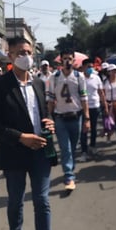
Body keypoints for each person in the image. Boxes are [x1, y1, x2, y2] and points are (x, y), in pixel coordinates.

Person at [0, 37, 55, 230]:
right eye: (21, 53)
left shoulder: (39, 83)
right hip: (14, 152)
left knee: (42, 200)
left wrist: (49, 123)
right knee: (16, 201)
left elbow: (43, 113)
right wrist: (21, 137)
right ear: (10, 55)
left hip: (41, 150)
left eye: (29, 53)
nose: (26, 57)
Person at [47, 49, 90, 190]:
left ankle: (70, 169)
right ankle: (69, 176)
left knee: (72, 147)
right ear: (61, 60)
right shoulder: (54, 77)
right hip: (60, 118)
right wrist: (49, 117)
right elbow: (51, 99)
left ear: (73, 60)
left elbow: (84, 98)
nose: (67, 61)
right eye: (65, 58)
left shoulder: (79, 76)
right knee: (65, 149)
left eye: (70, 59)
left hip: (75, 116)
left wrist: (87, 118)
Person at [76, 58, 106, 162]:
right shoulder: (79, 78)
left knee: (93, 128)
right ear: (83, 67)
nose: (90, 69)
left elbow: (101, 92)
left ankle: (92, 146)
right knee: (84, 130)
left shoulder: (96, 78)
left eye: (91, 67)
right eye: (88, 67)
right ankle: (84, 152)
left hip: (95, 106)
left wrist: (104, 104)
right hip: (83, 108)